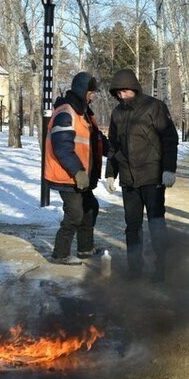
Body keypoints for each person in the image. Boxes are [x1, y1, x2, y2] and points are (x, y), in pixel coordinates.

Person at [105, 68, 178, 281]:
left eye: (125, 91)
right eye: (118, 92)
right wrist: (111, 173)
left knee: (156, 223)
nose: (121, 96)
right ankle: (134, 268)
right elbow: (113, 146)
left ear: (134, 88)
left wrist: (169, 169)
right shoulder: (117, 113)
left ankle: (160, 269)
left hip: (153, 175)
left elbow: (169, 139)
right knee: (132, 226)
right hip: (129, 179)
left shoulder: (154, 107)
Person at [45, 72, 107, 265]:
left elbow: (97, 141)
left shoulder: (84, 113)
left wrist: (116, 151)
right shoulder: (66, 112)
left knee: (90, 208)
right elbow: (62, 147)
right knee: (75, 214)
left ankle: (85, 248)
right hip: (68, 175)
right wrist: (78, 171)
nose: (93, 96)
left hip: (81, 175)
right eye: (91, 92)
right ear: (82, 91)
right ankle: (60, 254)